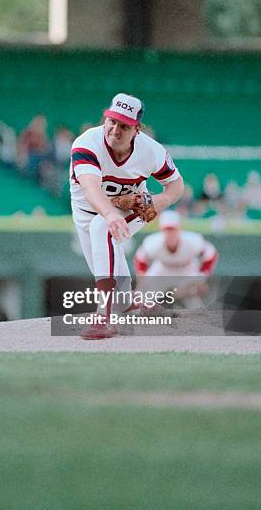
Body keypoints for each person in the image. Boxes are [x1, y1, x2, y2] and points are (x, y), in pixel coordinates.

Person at [70, 93, 184, 339]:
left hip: (135, 210)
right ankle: (135, 304)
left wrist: (155, 201)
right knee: (114, 284)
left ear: (137, 129)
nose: (115, 129)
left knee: (102, 227)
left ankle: (104, 317)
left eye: (124, 125)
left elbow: (176, 187)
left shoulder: (151, 151)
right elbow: (90, 188)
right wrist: (111, 212)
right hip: (86, 211)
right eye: (111, 121)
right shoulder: (86, 143)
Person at [134, 210, 218, 311]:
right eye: (167, 229)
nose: (170, 233)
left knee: (193, 298)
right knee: (142, 294)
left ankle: (199, 320)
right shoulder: (153, 242)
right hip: (162, 269)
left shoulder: (192, 240)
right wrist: (142, 277)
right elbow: (140, 257)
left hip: (186, 269)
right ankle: (137, 319)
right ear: (162, 230)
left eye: (172, 229)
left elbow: (210, 253)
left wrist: (202, 276)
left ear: (179, 229)